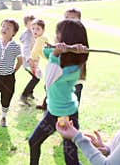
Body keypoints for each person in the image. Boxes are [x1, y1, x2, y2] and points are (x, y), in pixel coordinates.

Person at [29, 19, 89, 165]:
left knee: (71, 159)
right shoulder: (60, 54)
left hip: (67, 115)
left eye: (58, 35)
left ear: (66, 39)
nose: (55, 38)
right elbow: (45, 51)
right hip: (52, 112)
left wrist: (56, 54)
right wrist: (61, 49)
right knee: (34, 142)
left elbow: (50, 78)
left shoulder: (73, 67)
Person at [36, 7, 85, 110]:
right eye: (66, 17)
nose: (68, 21)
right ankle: (47, 105)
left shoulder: (80, 37)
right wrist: (56, 52)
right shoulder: (60, 35)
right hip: (58, 73)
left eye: (73, 18)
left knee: (71, 98)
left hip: (69, 77)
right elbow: (48, 52)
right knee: (54, 89)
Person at [20, 16, 47, 106]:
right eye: (32, 26)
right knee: (36, 78)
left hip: (33, 61)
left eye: (36, 27)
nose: (34, 29)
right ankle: (24, 96)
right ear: (26, 25)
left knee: (36, 77)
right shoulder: (27, 35)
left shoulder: (33, 34)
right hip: (28, 61)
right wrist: (29, 59)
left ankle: (30, 93)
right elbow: (26, 48)